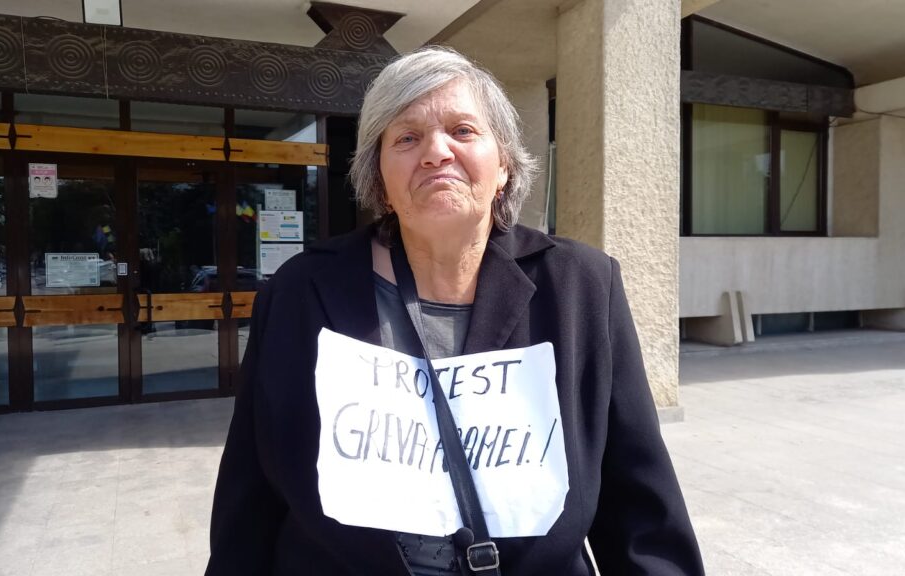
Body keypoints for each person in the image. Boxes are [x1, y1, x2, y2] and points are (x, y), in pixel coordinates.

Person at [206, 46, 703, 575]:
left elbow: (641, 509)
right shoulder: (300, 292)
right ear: (379, 176)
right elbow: (250, 496)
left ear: (503, 164)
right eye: (406, 138)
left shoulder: (581, 285)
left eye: (463, 131)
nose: (435, 152)